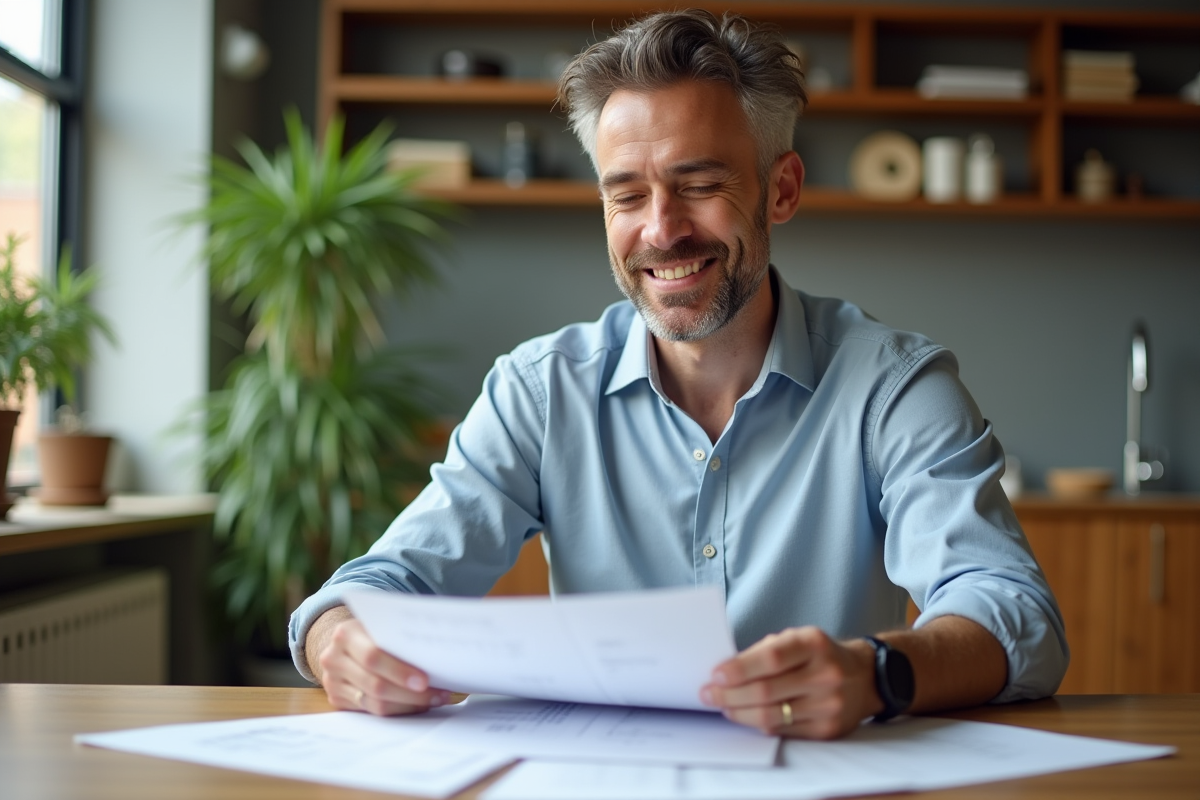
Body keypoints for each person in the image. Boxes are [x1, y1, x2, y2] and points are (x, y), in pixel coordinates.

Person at [289, 9, 1067, 740]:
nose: (660, 230)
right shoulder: (539, 390)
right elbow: (385, 581)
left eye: (700, 185)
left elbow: (1012, 612)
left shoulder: (892, 387)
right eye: (626, 193)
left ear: (782, 189)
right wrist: (338, 639)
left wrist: (878, 672)